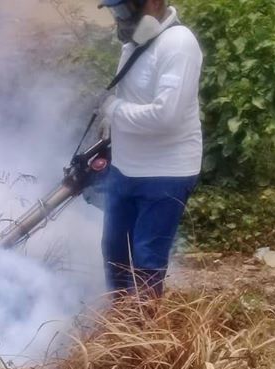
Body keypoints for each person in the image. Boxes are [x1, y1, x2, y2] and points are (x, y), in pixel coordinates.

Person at [96, 0, 203, 297]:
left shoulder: (179, 44)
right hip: (125, 168)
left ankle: (144, 324)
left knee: (146, 261)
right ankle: (120, 317)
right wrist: (109, 125)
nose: (120, 19)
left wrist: (113, 109)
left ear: (154, 3)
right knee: (114, 253)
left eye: (124, 10)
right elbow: (131, 94)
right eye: (115, 12)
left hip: (164, 173)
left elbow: (165, 117)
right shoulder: (138, 41)